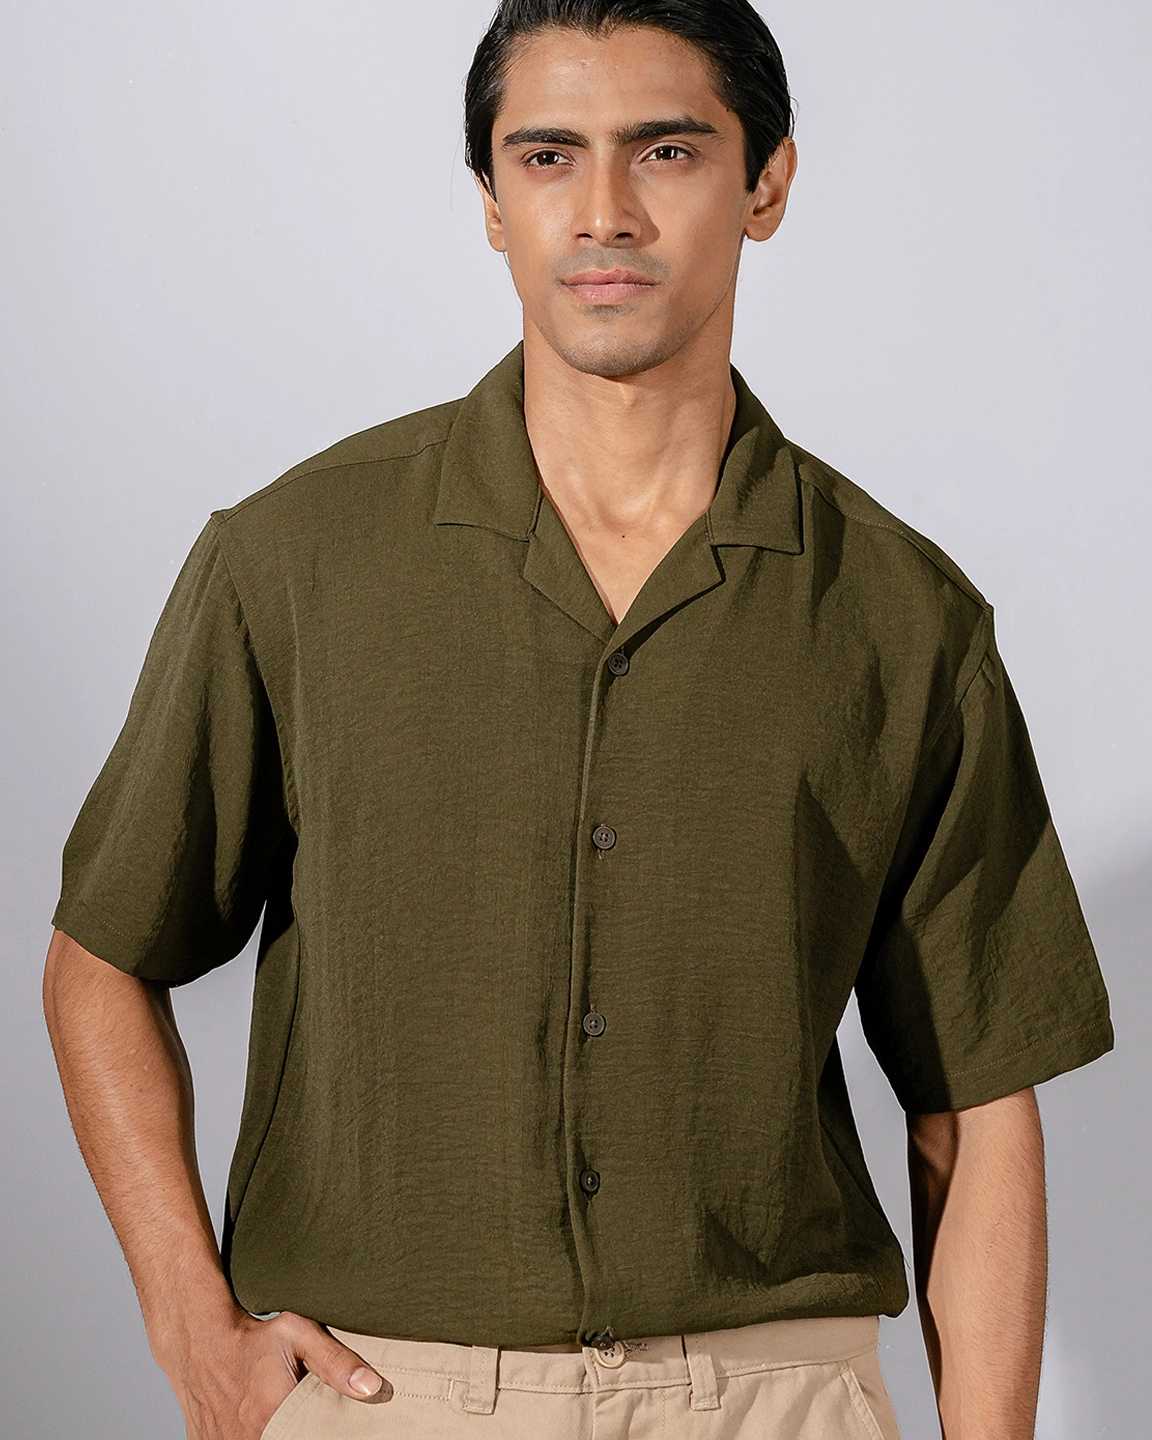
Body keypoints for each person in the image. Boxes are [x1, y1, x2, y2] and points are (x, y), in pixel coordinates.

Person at [43, 3, 1113, 1438]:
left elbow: (975, 1102)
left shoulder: (902, 618)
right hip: (387, 1396)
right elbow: (103, 955)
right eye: (548, 156)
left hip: (771, 1398)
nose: (603, 210)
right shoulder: (292, 564)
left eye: (666, 150)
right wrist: (193, 1324)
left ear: (767, 184)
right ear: (493, 202)